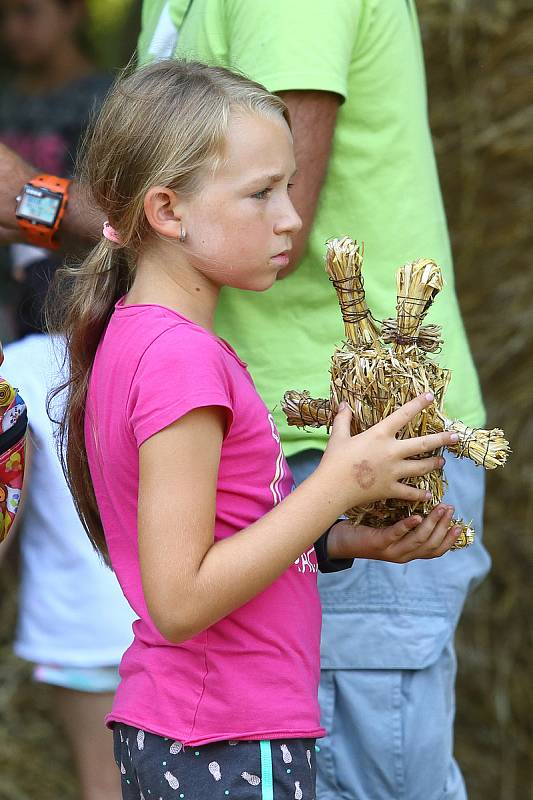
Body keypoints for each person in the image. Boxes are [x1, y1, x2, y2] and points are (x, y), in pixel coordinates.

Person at [0, 4, 490, 798]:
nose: (294, 220)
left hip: (202, 730)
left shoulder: (145, 339)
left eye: (288, 189)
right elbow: (182, 596)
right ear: (165, 211)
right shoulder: (182, 364)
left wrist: (336, 543)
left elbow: (217, 535)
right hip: (228, 738)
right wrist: (336, 485)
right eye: (263, 193)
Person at [0, 277, 136, 800]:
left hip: (78, 628)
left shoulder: (19, 368)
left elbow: (6, 510)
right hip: (175, 615)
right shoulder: (161, 346)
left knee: (104, 788)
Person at [0, 0, 112, 337]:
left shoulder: (107, 101)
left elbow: (110, 216)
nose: (11, 30)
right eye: (3, 16)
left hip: (73, 301)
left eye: (27, 12)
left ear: (74, 11)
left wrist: (24, 203)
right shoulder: (6, 99)